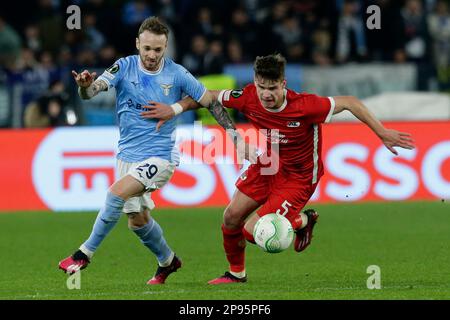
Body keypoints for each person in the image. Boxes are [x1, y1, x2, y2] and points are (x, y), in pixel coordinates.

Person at [142, 53, 415, 284]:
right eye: (262, 87)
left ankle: (304, 220)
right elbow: (206, 97)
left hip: (299, 176)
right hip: (269, 164)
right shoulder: (248, 97)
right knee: (230, 218)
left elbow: (350, 102)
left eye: (273, 88)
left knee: (254, 231)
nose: (267, 94)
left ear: (283, 84)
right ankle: (236, 274)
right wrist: (174, 109)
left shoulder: (305, 105)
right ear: (255, 83)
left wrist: (381, 132)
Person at [58, 16, 254, 285]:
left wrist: (236, 137)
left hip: (160, 157)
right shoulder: (123, 66)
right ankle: (168, 260)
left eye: (158, 50)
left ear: (166, 48)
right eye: (147, 48)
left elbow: (210, 101)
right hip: (127, 156)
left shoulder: (177, 73)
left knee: (114, 194)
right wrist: (83, 86)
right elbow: (92, 91)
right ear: (138, 43)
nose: (151, 55)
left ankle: (83, 254)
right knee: (137, 221)